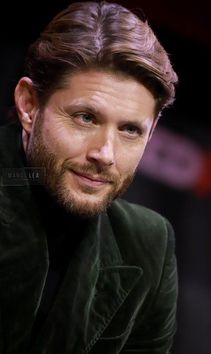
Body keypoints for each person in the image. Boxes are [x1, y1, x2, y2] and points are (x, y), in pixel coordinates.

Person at [0, 1, 178, 353]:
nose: (105, 154)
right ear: (29, 105)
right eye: (85, 118)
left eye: (129, 130)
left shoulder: (149, 245)